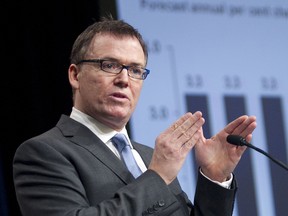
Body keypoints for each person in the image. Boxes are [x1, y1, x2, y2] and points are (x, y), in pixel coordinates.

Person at [13, 15, 257, 216]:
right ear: (75, 75)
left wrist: (214, 177)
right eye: (109, 65)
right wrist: (158, 176)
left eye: (135, 70)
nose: (123, 79)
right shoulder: (43, 153)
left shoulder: (149, 156)